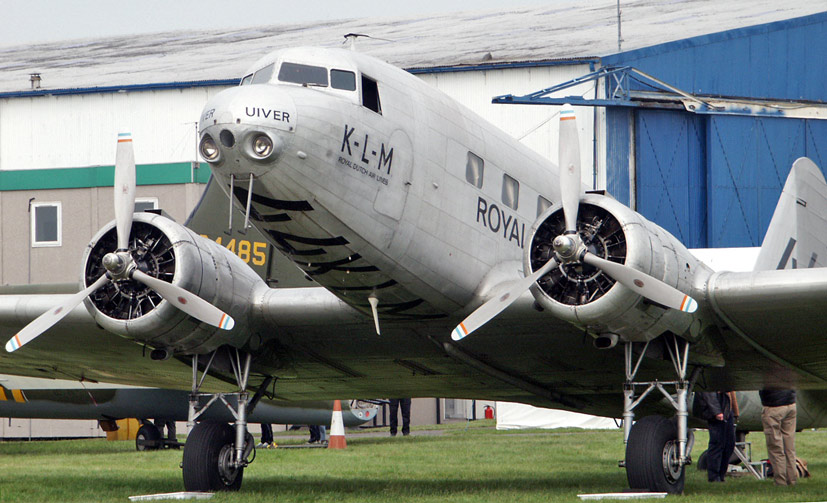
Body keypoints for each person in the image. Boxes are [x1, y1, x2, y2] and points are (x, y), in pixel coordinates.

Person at [696, 391, 738, 482]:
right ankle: (714, 476)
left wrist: (735, 412)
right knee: (717, 444)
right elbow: (708, 392)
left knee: (729, 445)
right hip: (719, 410)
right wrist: (717, 411)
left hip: (726, 409)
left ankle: (721, 475)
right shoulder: (712, 378)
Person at [759, 388, 797, 486]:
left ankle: (780, 481)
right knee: (789, 446)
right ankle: (792, 479)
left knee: (775, 447)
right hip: (790, 403)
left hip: (773, 406)